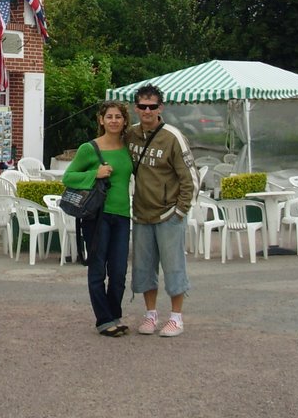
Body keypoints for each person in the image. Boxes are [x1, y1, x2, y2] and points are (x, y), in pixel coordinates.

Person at [127, 85, 198, 337]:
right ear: (136, 108)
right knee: (143, 267)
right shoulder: (131, 135)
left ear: (161, 108)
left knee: (173, 266)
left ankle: (176, 318)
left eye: (152, 106)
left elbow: (190, 177)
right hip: (142, 214)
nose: (147, 111)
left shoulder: (172, 137)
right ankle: (150, 315)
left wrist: (180, 210)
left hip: (168, 214)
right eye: (143, 106)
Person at [62, 100, 134, 337]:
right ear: (101, 120)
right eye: (109, 116)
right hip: (98, 216)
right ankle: (104, 320)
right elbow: (68, 177)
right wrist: (95, 173)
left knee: (119, 271)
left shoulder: (128, 148)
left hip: (122, 216)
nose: (114, 121)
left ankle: (114, 315)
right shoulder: (89, 149)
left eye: (118, 117)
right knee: (97, 269)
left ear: (125, 121)